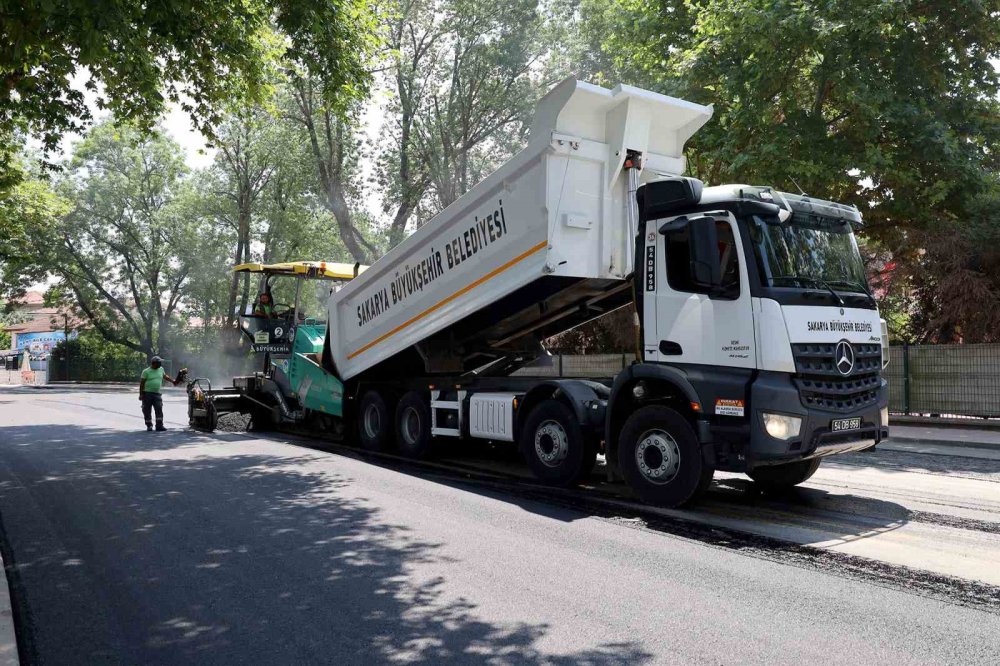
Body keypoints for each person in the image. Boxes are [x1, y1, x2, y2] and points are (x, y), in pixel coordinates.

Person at [139, 356, 181, 432]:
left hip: (157, 394)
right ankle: (149, 425)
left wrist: (173, 381)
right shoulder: (146, 371)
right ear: (154, 363)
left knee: (159, 409)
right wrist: (141, 394)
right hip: (147, 393)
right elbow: (142, 383)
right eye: (159, 362)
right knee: (147, 410)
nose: (160, 364)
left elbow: (165, 376)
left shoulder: (161, 369)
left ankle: (159, 426)